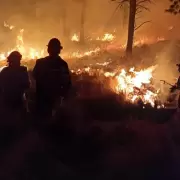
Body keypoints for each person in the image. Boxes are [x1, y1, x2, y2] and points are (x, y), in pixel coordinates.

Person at [33, 38, 71, 118]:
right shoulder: (62, 64)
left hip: (42, 101)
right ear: (59, 50)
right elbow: (67, 84)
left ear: (48, 49)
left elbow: (34, 77)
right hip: (54, 101)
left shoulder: (40, 63)